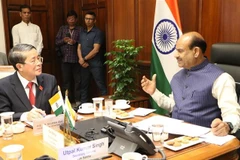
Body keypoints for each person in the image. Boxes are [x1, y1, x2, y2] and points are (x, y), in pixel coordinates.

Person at [141, 31, 240, 136]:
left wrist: (227, 125)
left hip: (203, 141)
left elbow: (232, 113)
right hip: (174, 136)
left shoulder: (221, 78)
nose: (175, 55)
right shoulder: (177, 77)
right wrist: (154, 92)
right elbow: (174, 106)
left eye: (180, 51)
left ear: (196, 52)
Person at [0, 44, 58, 121]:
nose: (39, 63)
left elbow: (58, 109)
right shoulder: (3, 86)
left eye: (39, 58)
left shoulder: (50, 80)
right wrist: (25, 116)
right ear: (19, 66)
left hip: (45, 129)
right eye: (33, 60)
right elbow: (3, 115)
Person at [77, 11, 107, 103]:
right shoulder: (82, 32)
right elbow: (79, 48)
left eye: (90, 19)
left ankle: (105, 105)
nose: (88, 21)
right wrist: (81, 59)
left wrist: (84, 59)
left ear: (95, 20)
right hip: (84, 64)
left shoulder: (98, 33)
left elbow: (96, 50)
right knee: (84, 86)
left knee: (100, 85)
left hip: (95, 64)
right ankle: (83, 106)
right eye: (86, 19)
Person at [55, 10, 82, 108]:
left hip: (76, 59)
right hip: (65, 59)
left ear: (76, 19)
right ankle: (67, 101)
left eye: (73, 18)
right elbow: (56, 42)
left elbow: (83, 42)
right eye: (69, 18)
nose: (71, 20)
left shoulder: (80, 29)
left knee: (78, 81)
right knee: (66, 81)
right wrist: (64, 40)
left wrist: (74, 41)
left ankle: (78, 101)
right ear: (67, 19)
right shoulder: (62, 29)